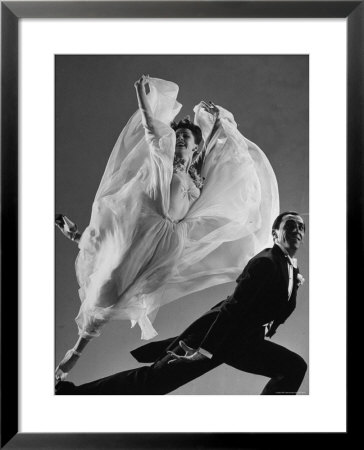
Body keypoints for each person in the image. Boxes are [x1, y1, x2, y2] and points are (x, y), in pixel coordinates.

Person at [55, 75, 279, 380]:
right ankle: (76, 350)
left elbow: (210, 148)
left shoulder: (197, 176)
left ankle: (234, 297)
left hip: (172, 239)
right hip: (149, 225)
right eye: (178, 137)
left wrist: (215, 121)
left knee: (129, 286)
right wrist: (141, 93)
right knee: (109, 286)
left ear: (194, 149)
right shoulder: (163, 162)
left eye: (186, 138)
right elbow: (151, 129)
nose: (180, 140)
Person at [56, 212, 307, 395]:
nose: (297, 230)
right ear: (275, 234)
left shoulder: (288, 270)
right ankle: (70, 395)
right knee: (152, 383)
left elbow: (273, 309)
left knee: (293, 367)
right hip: (215, 338)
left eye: (301, 227)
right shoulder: (265, 262)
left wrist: (291, 287)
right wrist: (204, 350)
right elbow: (234, 308)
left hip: (244, 342)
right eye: (291, 225)